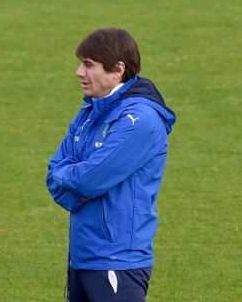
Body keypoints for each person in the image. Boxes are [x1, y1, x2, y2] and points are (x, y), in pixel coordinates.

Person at [46, 28, 176, 302]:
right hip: (83, 255)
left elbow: (87, 180)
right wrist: (76, 179)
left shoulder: (139, 121)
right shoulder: (91, 111)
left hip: (117, 260)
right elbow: (53, 172)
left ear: (117, 69)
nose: (79, 72)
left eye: (89, 65)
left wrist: (74, 179)